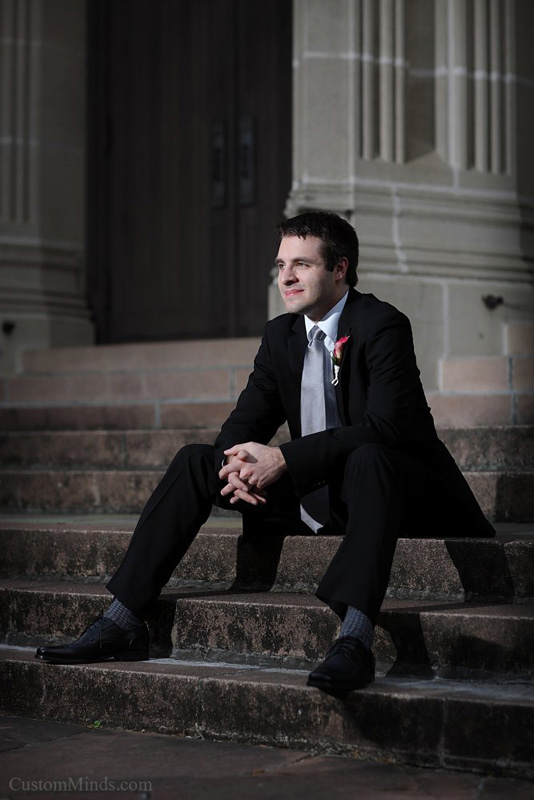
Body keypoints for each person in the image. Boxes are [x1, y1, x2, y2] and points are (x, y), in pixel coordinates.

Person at [35, 211, 495, 695]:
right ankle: (122, 618)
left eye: (301, 264)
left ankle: (355, 640)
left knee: (369, 456)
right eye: (280, 265)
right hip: (320, 495)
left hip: (396, 493)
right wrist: (234, 466)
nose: (287, 277)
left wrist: (285, 459)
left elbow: (386, 428)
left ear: (339, 269)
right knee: (197, 460)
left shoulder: (381, 323)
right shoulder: (282, 335)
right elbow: (244, 423)